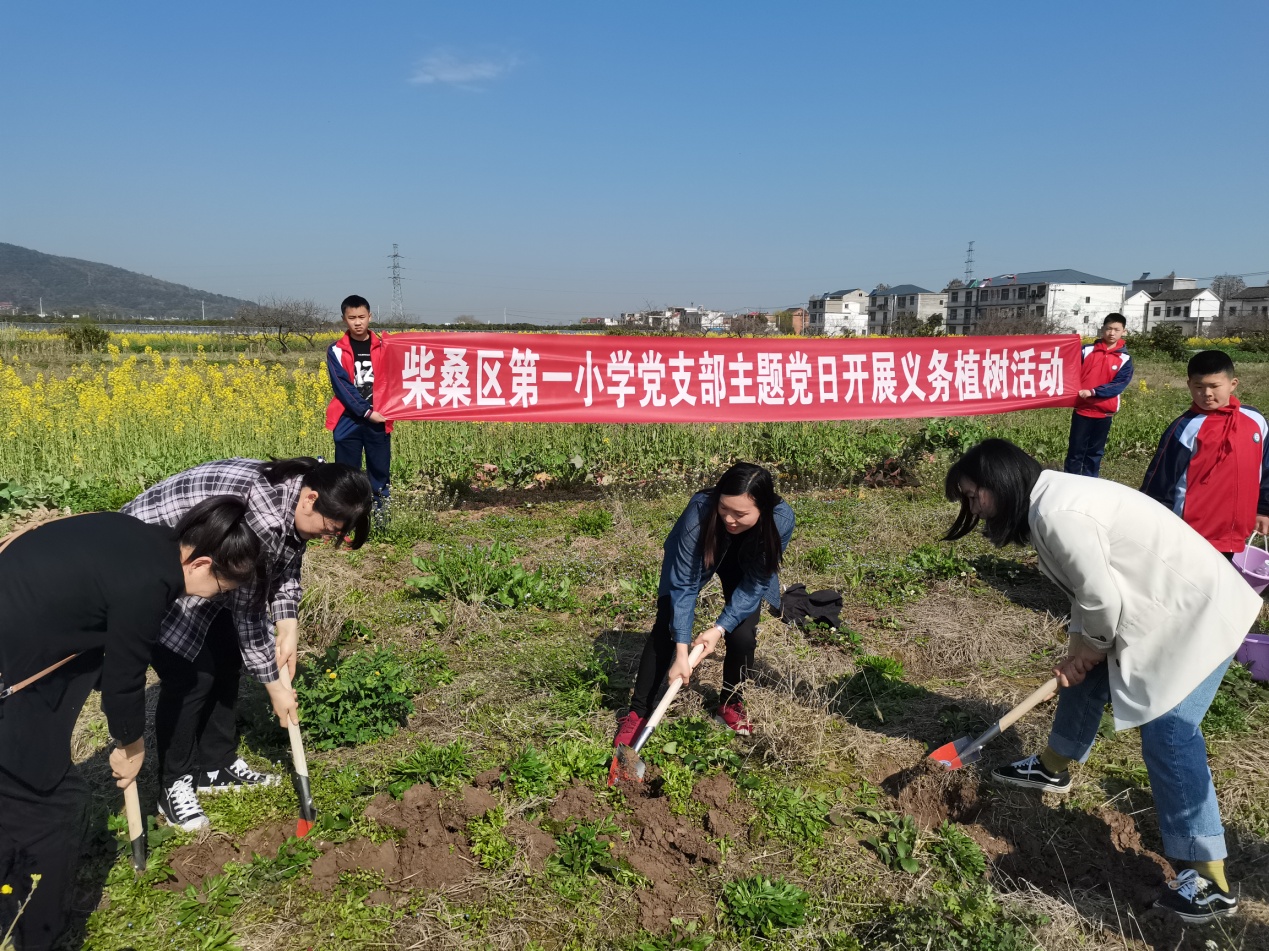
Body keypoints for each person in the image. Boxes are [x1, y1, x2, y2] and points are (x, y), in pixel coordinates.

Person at [944, 438, 1260, 923]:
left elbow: (1103, 603)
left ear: (1000, 483)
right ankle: (1052, 766)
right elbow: (1089, 593)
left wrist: (1090, 646)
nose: (973, 508)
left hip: (1195, 614)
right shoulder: (1049, 502)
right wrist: (1079, 649)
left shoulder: (1058, 514)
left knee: (1170, 731)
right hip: (1162, 606)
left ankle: (1210, 876)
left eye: (972, 495)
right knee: (1085, 676)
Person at [0, 500, 262, 951]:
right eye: (219, 587)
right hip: (13, 665)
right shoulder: (150, 581)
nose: (213, 597)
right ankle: (34, 931)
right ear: (200, 561)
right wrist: (131, 745)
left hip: (23, 638)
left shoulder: (137, 534)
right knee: (53, 802)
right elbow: (125, 676)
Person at [122, 457, 372, 831]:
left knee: (226, 657)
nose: (327, 537)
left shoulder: (298, 494)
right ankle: (174, 785)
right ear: (311, 499)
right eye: (328, 528)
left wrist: (288, 625)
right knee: (190, 675)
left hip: (209, 556)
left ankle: (216, 766)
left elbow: (287, 561)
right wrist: (274, 687)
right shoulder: (264, 518)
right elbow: (249, 611)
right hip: (150, 560)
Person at [614, 462, 794, 745]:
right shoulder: (701, 512)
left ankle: (730, 701)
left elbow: (756, 582)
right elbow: (684, 585)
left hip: (745, 567)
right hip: (703, 552)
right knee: (667, 622)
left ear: (764, 509)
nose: (730, 519)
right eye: (725, 508)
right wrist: (682, 652)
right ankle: (638, 713)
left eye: (741, 513)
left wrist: (720, 628)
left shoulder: (780, 519)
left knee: (743, 635)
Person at [1141, 349, 1269, 555]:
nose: (1207, 393)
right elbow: (1161, 480)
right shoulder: (1185, 428)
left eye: (1215, 386)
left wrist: (1263, 509)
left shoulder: (1255, 420)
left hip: (1235, 531)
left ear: (1233, 384)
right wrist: (1154, 521)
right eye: (1199, 387)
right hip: (1191, 532)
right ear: (1189, 385)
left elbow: (1266, 468)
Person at [326, 294, 392, 517]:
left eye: (362, 316)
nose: (357, 322)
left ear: (370, 316)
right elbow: (342, 386)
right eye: (352, 317)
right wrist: (366, 411)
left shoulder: (386, 346)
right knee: (347, 473)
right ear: (344, 319)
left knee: (379, 470)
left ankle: (381, 518)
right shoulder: (335, 349)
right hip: (348, 418)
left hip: (380, 417)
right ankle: (346, 519)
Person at [1063, 313, 1133, 478]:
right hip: (1082, 409)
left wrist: (1094, 392)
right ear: (1102, 329)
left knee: (1095, 452)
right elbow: (1069, 369)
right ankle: (1070, 480)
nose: (1112, 333)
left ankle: (1090, 481)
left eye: (1116, 329)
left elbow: (1119, 384)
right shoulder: (1086, 350)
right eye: (1108, 328)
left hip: (1104, 412)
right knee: (1075, 449)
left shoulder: (1125, 359)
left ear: (1124, 331)